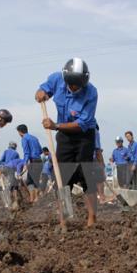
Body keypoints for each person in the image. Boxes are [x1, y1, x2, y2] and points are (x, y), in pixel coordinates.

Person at [35, 57, 98, 228]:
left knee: (86, 176)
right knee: (62, 178)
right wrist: (42, 94)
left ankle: (92, 217)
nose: (74, 88)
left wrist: (55, 126)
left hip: (84, 136)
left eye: (78, 85)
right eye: (71, 84)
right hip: (64, 136)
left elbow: (82, 124)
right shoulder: (57, 79)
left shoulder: (91, 93)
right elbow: (43, 91)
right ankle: (63, 219)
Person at [16, 124, 43, 203]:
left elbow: (26, 153)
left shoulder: (24, 138)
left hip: (33, 161)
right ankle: (34, 198)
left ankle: (35, 198)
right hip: (39, 161)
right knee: (34, 180)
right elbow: (41, 151)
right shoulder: (34, 138)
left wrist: (25, 164)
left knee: (30, 181)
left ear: (20, 132)